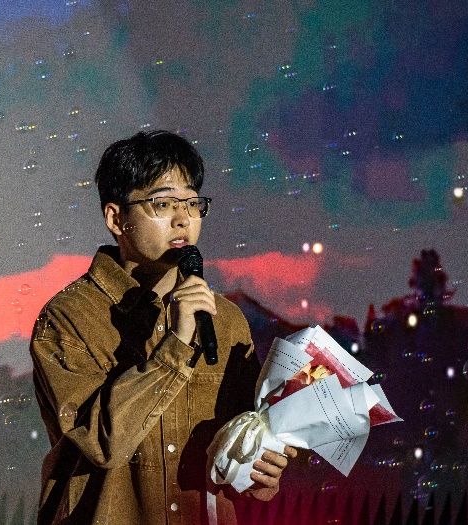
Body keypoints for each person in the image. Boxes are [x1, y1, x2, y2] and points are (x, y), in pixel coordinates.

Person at [30, 130, 297, 524]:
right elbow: (102, 443)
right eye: (163, 203)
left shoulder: (225, 320)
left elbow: (241, 446)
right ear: (116, 219)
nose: (182, 218)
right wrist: (175, 343)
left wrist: (262, 472)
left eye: (192, 203)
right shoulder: (67, 318)